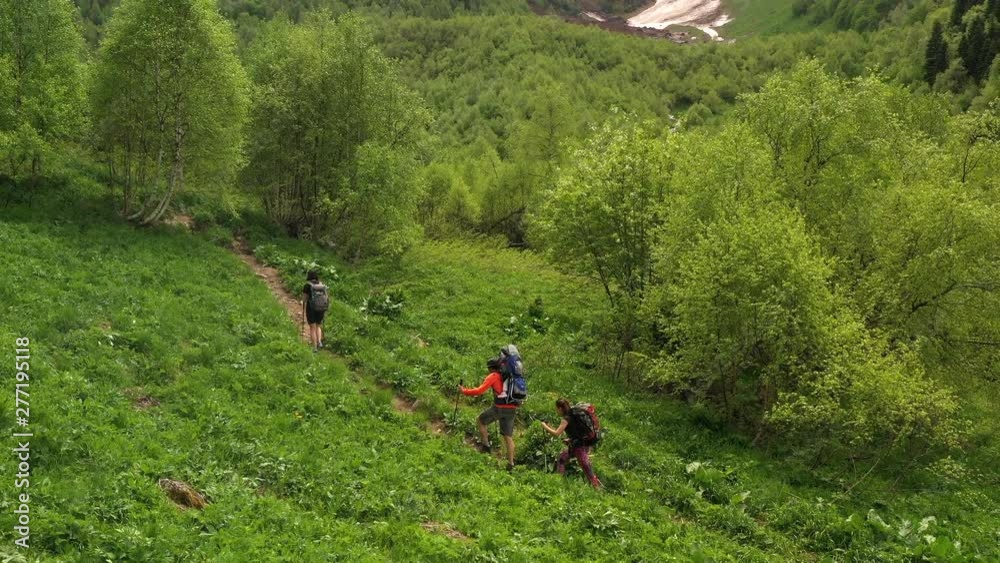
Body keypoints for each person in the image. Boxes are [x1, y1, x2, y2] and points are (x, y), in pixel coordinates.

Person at [459, 357, 519, 471]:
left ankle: (486, 446)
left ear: (491, 368)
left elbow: (479, 391)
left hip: (499, 408)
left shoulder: (493, 376)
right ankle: (511, 464)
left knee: (481, 420)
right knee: (508, 436)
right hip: (512, 409)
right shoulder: (509, 377)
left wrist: (464, 391)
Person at [539, 398, 601, 489]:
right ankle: (558, 482)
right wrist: (569, 439)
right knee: (562, 458)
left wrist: (544, 426)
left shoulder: (566, 419)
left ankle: (598, 490)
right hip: (581, 444)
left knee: (587, 470)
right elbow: (577, 431)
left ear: (560, 408)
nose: (557, 411)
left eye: (556, 409)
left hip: (579, 448)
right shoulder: (574, 415)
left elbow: (557, 434)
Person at [302, 270, 329, 353]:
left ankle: (314, 347)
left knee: (312, 327)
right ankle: (319, 342)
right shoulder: (321, 285)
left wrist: (303, 302)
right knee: (318, 326)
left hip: (311, 308)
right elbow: (326, 297)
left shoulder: (307, 286)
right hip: (321, 308)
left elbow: (305, 299)